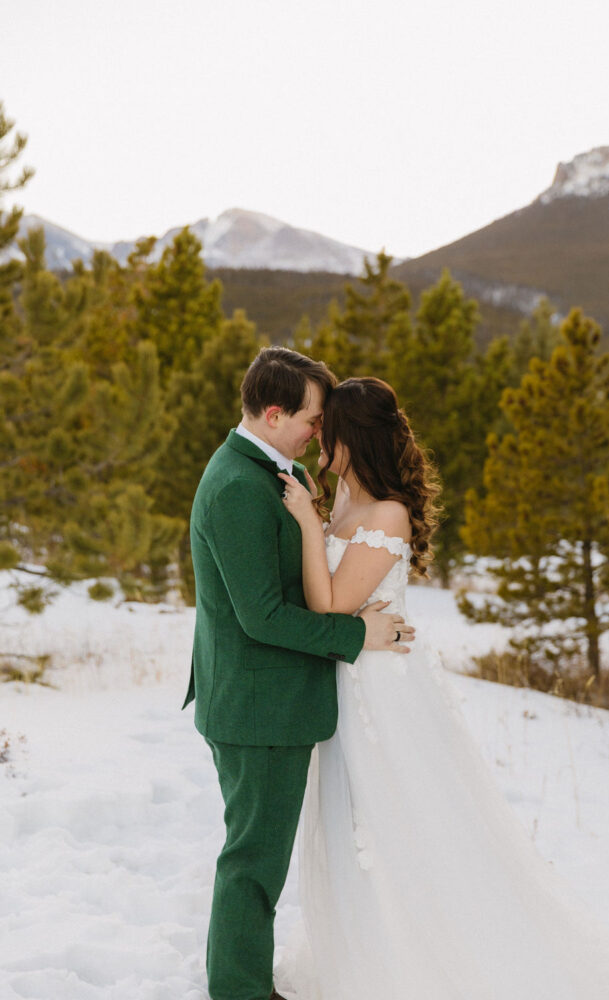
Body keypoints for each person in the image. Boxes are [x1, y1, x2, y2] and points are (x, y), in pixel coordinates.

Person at [275, 376, 609, 1000]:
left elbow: (330, 603)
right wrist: (317, 516)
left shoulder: (385, 513)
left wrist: (307, 522)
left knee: (401, 824)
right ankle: (364, 954)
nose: (316, 435)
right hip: (347, 682)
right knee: (350, 824)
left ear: (349, 437)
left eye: (325, 426)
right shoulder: (344, 505)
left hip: (383, 694)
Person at [182, 349, 415, 1000]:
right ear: (275, 412)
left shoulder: (267, 474)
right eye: (313, 419)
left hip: (267, 699)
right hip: (258, 706)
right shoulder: (236, 486)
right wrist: (355, 633)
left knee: (256, 857)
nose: (320, 431)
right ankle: (238, 991)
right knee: (253, 863)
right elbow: (260, 618)